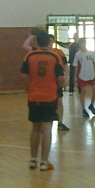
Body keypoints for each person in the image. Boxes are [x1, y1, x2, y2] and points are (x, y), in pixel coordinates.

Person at [21, 30, 65, 171]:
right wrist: (59, 87)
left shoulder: (29, 56)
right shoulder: (55, 57)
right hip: (49, 97)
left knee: (35, 128)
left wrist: (28, 89)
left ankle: (33, 159)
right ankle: (44, 162)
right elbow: (61, 78)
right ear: (48, 41)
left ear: (37, 42)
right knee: (47, 129)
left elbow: (24, 76)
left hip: (34, 96)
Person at [74, 38, 95, 117]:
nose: (83, 45)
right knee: (83, 91)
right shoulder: (78, 54)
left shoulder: (91, 53)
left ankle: (91, 105)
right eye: (81, 43)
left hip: (91, 75)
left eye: (84, 43)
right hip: (82, 75)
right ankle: (83, 109)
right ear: (79, 45)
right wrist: (75, 77)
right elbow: (76, 66)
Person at [49, 34, 70, 131]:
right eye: (49, 40)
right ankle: (46, 124)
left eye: (52, 40)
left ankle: (60, 123)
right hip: (47, 82)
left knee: (59, 102)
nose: (50, 42)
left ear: (54, 41)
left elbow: (65, 66)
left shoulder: (59, 52)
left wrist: (67, 77)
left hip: (57, 81)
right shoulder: (43, 52)